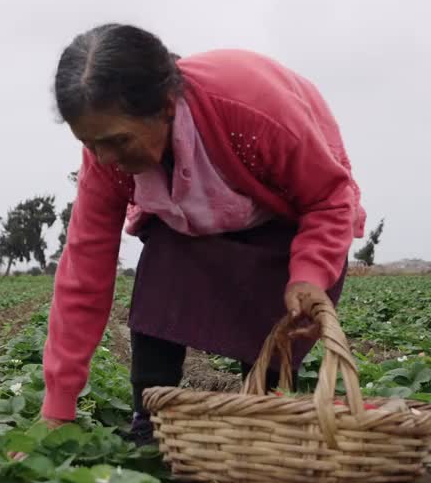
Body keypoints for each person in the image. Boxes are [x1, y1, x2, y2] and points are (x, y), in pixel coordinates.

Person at [42, 24, 365, 442]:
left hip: (284, 216)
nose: (106, 157)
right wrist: (57, 408)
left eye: (118, 140)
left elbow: (328, 198)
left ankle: (262, 427)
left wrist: (309, 275)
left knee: (278, 320)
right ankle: (151, 423)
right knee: (164, 267)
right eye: (91, 144)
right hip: (189, 223)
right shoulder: (105, 161)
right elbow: (83, 274)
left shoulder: (252, 108)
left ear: (166, 105)